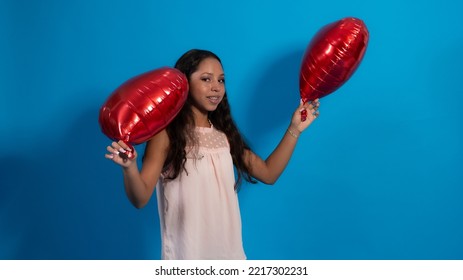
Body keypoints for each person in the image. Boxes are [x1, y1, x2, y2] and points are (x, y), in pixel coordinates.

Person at [105, 49, 320, 260]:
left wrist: (295, 129)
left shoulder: (224, 135)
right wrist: (129, 168)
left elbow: (268, 173)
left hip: (229, 258)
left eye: (221, 80)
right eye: (206, 79)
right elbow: (140, 198)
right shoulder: (165, 135)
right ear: (184, 84)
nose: (216, 88)